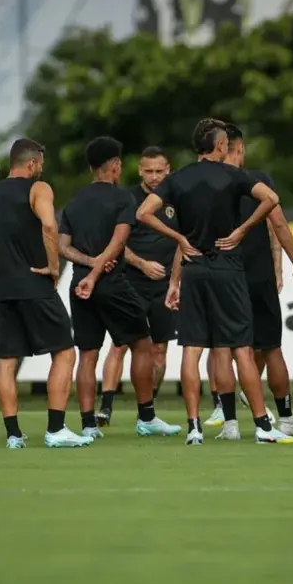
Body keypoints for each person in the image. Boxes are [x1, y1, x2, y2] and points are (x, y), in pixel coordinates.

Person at [136, 118, 293, 445]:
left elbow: (143, 213)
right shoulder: (233, 175)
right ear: (220, 146)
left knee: (195, 349)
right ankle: (263, 425)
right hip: (228, 268)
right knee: (241, 347)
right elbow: (270, 200)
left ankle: (198, 426)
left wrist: (179, 239)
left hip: (194, 267)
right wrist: (242, 230)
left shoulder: (179, 178)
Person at [0, 138, 86, 448]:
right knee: (65, 352)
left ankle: (13, 435)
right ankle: (56, 429)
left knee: (7, 362)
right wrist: (53, 267)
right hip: (35, 284)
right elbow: (50, 227)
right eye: (40, 164)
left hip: (5, 289)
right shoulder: (39, 189)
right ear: (32, 164)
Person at [60, 137, 182, 440]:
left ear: (91, 167)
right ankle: (146, 418)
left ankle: (88, 425)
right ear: (116, 166)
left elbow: (63, 247)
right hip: (111, 285)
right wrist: (99, 269)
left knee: (87, 355)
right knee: (143, 345)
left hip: (79, 285)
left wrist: (88, 265)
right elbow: (118, 242)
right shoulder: (123, 199)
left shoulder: (75, 201)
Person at [211, 123, 293, 438]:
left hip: (223, 274)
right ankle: (286, 418)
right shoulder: (259, 181)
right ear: (241, 148)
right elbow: (278, 224)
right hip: (259, 276)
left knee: (226, 349)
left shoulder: (208, 183)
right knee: (271, 347)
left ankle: (230, 424)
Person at [98, 147, 174, 427]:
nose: (154, 177)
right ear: (140, 170)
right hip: (131, 283)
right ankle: (105, 406)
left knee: (159, 350)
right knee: (120, 345)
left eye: (159, 171)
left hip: (166, 286)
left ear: (169, 170)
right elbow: (117, 242)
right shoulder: (127, 198)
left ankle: (147, 410)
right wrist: (141, 264)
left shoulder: (176, 197)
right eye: (148, 171)